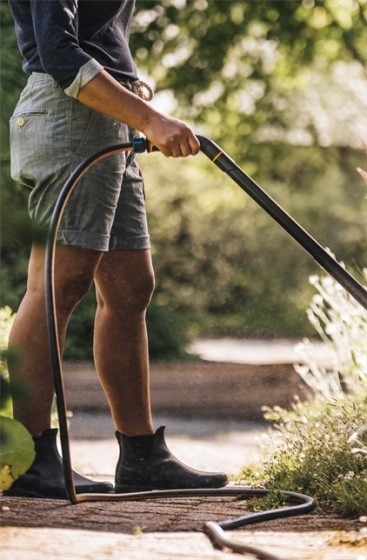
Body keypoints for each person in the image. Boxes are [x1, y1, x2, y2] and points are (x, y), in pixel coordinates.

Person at [4, 0, 228, 498]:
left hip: (111, 115)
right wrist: (151, 118)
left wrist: (136, 114)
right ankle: (30, 457)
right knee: (59, 282)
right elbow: (59, 52)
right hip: (71, 113)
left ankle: (142, 455)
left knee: (130, 287)